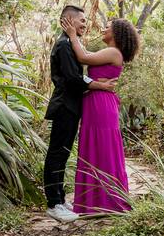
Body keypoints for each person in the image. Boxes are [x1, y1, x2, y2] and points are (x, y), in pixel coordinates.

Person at [43, 5, 117, 223]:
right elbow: (73, 78)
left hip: (72, 106)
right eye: (82, 20)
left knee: (63, 153)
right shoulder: (64, 45)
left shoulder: (71, 43)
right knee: (57, 154)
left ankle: (59, 198)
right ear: (68, 20)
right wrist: (100, 86)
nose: (85, 24)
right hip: (64, 106)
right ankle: (53, 204)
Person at [60, 16, 140, 215]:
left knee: (102, 147)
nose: (103, 29)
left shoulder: (113, 52)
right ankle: (96, 201)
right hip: (96, 101)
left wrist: (72, 35)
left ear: (117, 33)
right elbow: (86, 54)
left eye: (107, 27)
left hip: (101, 103)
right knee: (96, 146)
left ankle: (106, 201)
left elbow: (83, 58)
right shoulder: (108, 52)